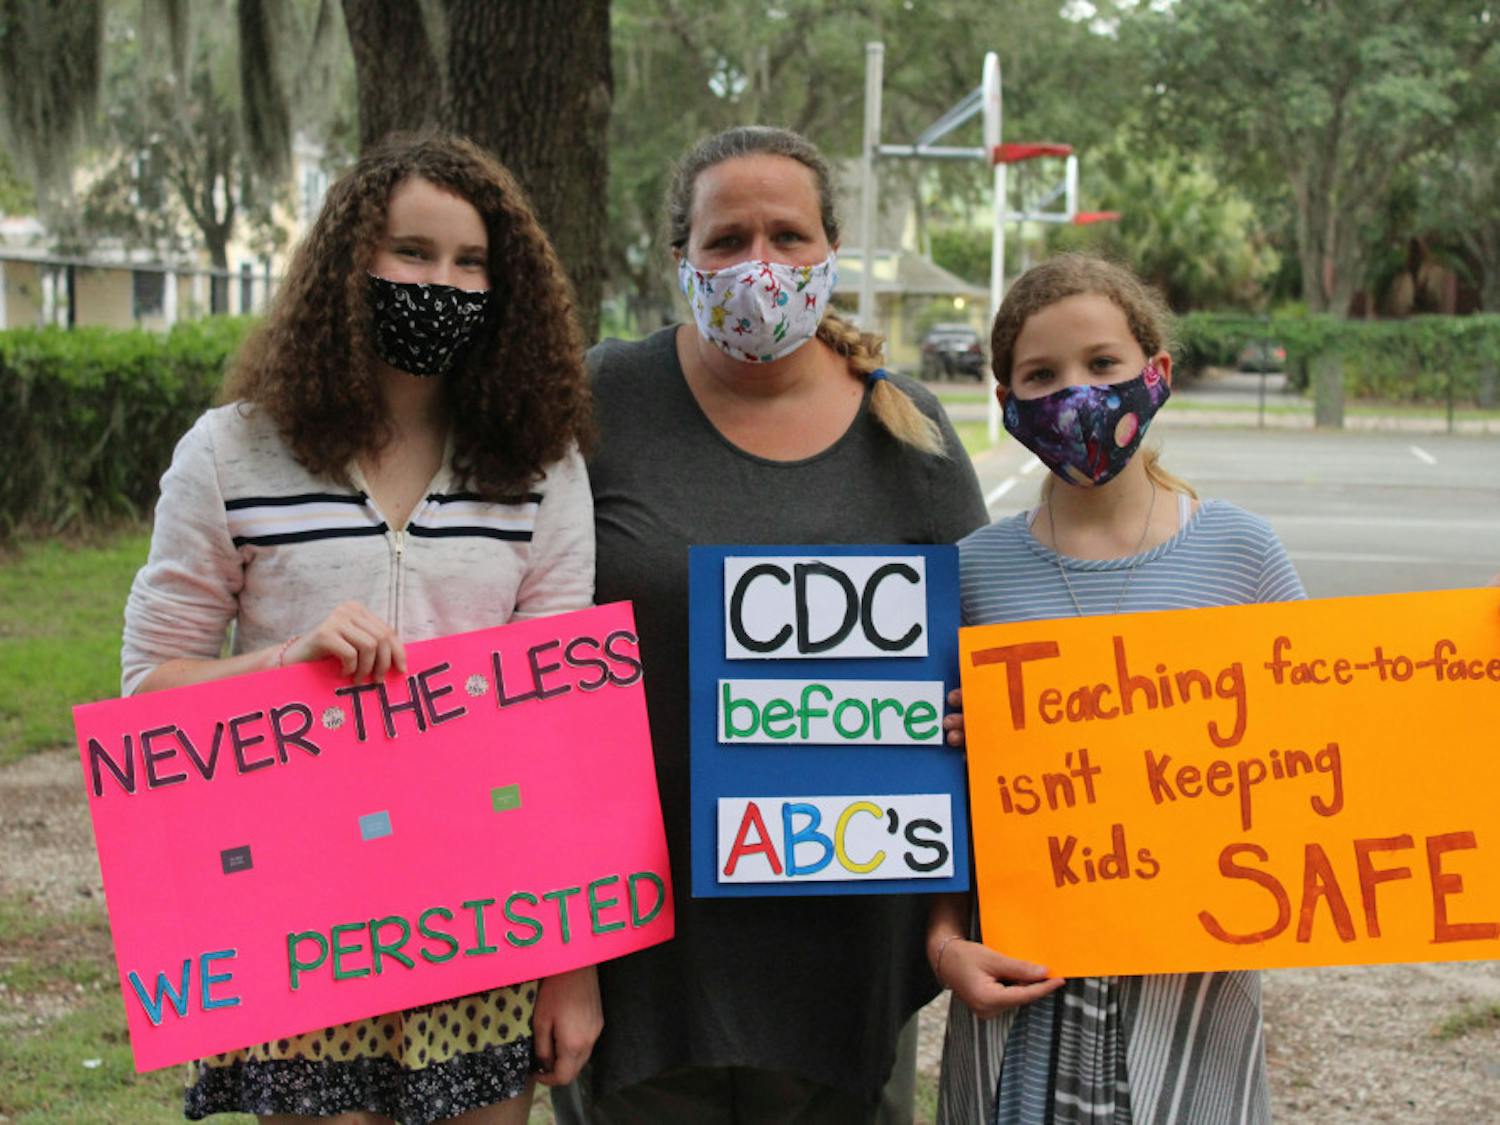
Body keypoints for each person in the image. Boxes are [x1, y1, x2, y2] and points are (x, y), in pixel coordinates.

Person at [121, 134, 601, 1125]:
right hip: (303, 919)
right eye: (413, 254)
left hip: (485, 916)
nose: (444, 282)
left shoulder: (540, 463)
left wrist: (573, 967)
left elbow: (563, 729)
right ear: (349, 266)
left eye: (473, 264)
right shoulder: (230, 453)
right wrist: (282, 664)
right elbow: (146, 695)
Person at [552, 125, 988, 1124]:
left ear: (830, 250)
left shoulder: (908, 429)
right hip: (639, 946)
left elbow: (984, 648)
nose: (761, 265)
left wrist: (978, 713)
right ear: (682, 260)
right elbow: (512, 618)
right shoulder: (598, 398)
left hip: (846, 945)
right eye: (727, 239)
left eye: (789, 237)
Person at [930, 253, 1303, 1124]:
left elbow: (1319, 756)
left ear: (1156, 373)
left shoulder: (1243, 554)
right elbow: (937, 792)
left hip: (1191, 989)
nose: (1078, 393)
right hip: (1020, 985)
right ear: (1008, 405)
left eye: (1104, 365)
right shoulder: (972, 572)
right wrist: (946, 944)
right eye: (1042, 375)